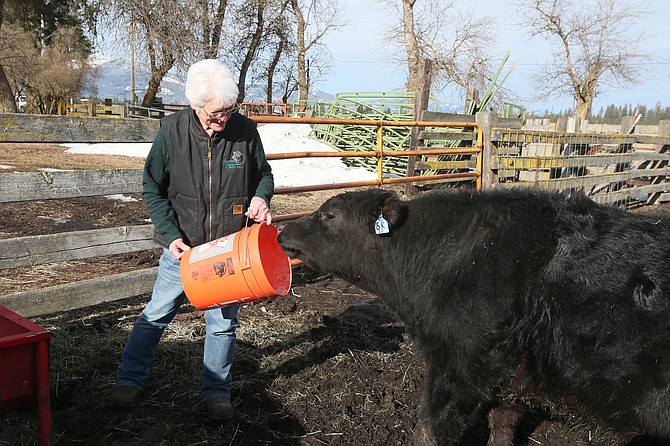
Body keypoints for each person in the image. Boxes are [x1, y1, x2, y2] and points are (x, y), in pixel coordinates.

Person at [108, 59, 274, 421]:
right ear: (195, 106)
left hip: (227, 252)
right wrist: (170, 236)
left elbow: (263, 174)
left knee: (223, 322)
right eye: (215, 114)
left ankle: (216, 391)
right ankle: (130, 379)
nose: (223, 120)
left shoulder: (245, 131)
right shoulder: (171, 133)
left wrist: (261, 197)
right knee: (155, 315)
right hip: (183, 250)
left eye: (228, 111)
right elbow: (152, 188)